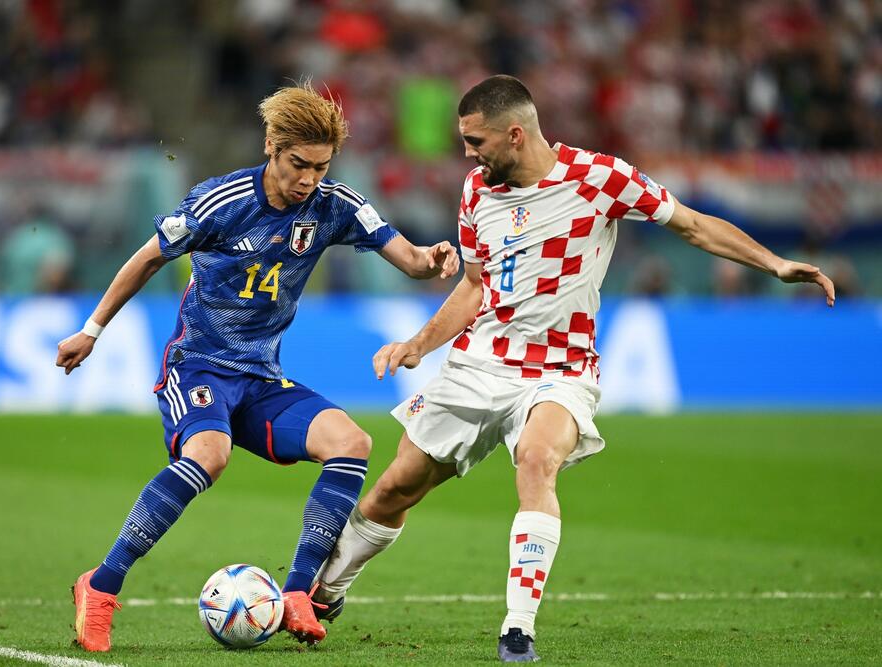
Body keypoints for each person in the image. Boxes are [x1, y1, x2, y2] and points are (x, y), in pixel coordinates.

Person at [309, 75, 836, 663]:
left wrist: (776, 263)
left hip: (561, 370)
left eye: (475, 140)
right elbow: (475, 286)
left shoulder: (600, 178)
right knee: (394, 488)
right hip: (481, 363)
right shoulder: (476, 191)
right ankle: (324, 592)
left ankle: (518, 629)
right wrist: (419, 343)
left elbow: (691, 224)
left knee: (537, 459)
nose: (467, 153)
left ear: (515, 134)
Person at [55, 83, 460, 652]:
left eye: (320, 167)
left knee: (352, 441)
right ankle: (100, 585)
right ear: (271, 145)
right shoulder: (220, 202)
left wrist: (433, 259)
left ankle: (297, 593)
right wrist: (91, 331)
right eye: (299, 164)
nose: (308, 180)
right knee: (209, 456)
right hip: (197, 368)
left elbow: (411, 259)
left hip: (261, 378)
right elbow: (148, 258)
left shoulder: (336, 206)